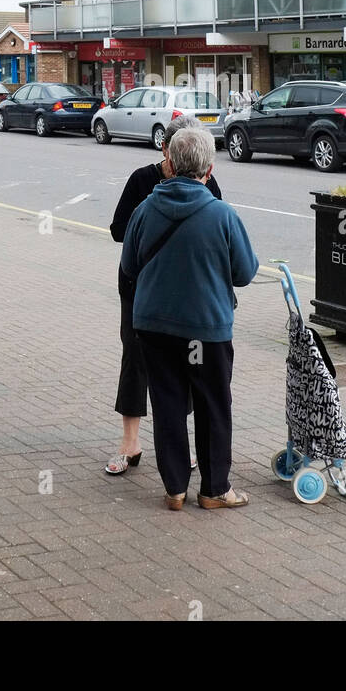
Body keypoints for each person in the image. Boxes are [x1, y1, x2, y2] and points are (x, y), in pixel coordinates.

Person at [121, 127, 258, 510]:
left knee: (167, 405)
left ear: (170, 164)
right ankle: (214, 489)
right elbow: (245, 273)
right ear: (209, 169)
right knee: (213, 405)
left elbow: (129, 266)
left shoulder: (144, 210)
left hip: (154, 327)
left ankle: (175, 489)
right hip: (206, 330)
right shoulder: (221, 214)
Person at [105, 117, 222, 477]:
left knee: (188, 363)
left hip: (188, 291)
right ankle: (131, 443)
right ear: (165, 152)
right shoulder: (143, 179)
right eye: (176, 154)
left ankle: (179, 444)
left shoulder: (206, 179)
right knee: (136, 359)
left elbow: (217, 230)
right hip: (141, 289)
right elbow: (118, 230)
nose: (182, 163)